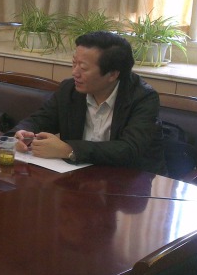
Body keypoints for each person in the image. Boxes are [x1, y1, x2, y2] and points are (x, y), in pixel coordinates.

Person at [12, 31, 164, 174]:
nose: (75, 73)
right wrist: (22, 133)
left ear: (112, 74)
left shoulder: (143, 98)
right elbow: (39, 119)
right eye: (74, 64)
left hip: (131, 181)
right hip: (80, 177)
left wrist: (69, 150)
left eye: (83, 68)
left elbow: (129, 149)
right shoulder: (69, 89)